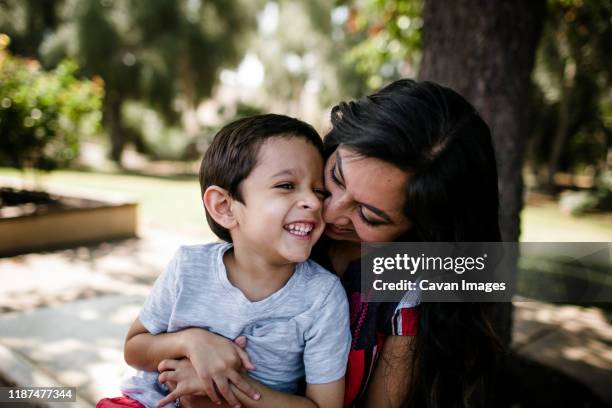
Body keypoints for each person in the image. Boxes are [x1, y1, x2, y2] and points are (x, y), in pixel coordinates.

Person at [105, 79, 504, 408]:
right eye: (335, 178)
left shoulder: (399, 293)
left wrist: (226, 387)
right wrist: (191, 344)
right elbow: (145, 341)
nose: (326, 212)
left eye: (370, 216)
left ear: (422, 232)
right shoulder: (270, 231)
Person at [98, 114, 351, 408]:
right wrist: (191, 342)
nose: (314, 201)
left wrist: (222, 381)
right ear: (224, 207)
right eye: (286, 185)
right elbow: (134, 349)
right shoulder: (188, 267)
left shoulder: (321, 297)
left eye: (319, 190)